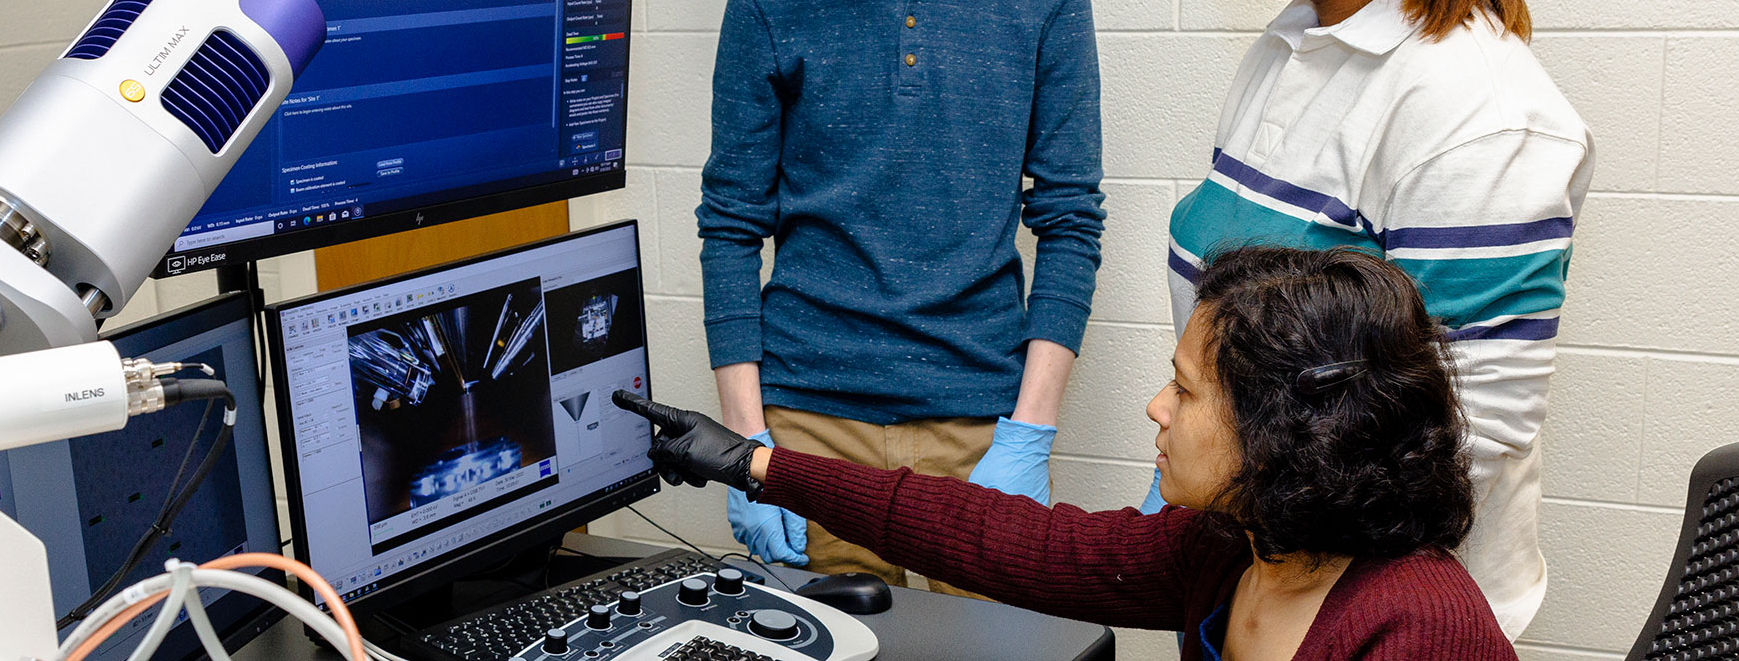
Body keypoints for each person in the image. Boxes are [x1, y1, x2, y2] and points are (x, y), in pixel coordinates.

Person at [1140, 0, 1593, 637]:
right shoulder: (1288, 51)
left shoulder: (1475, 115)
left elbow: (1465, 438)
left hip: (1374, 612)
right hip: (1263, 556)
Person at [617, 246, 1516, 660]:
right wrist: (754, 462)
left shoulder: (1416, 628)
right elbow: (996, 539)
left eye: (1187, 391)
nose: (1154, 407)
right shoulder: (1235, 550)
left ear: (1286, 429)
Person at [696, 0, 1105, 591]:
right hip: (809, 422)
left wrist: (1030, 432)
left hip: (978, 422)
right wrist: (746, 440)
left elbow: (1069, 223)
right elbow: (730, 225)